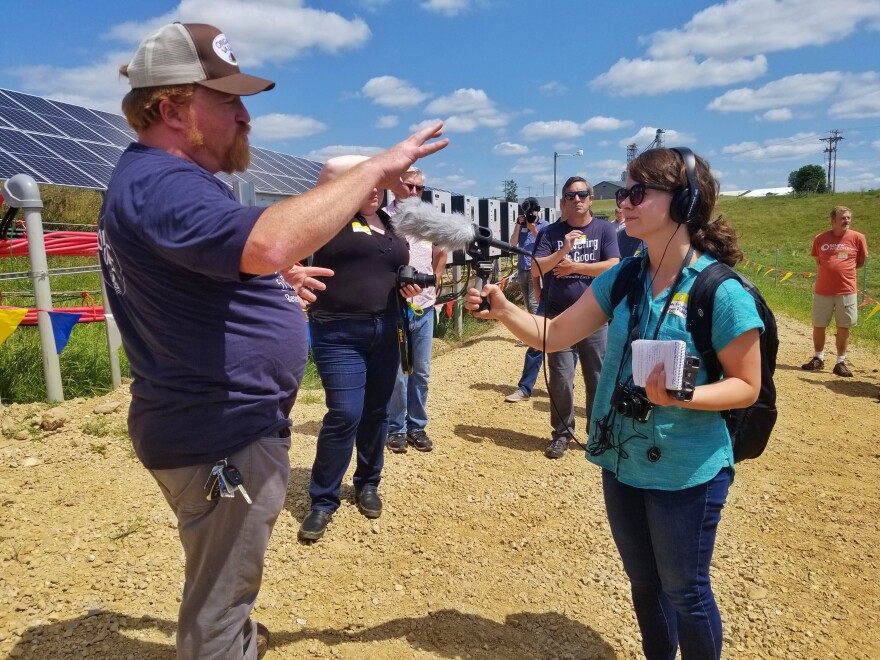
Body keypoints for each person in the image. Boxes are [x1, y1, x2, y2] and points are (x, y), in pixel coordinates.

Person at [98, 22, 446, 660]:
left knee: (225, 581)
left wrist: (267, 271)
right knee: (220, 601)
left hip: (210, 423)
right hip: (218, 435)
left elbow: (224, 252)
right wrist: (377, 167)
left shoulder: (157, 182)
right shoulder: (164, 183)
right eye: (226, 100)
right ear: (171, 109)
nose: (245, 114)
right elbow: (265, 239)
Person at [465, 147, 763, 660]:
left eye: (637, 192)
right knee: (645, 585)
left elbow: (746, 386)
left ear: (685, 200)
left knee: (686, 593)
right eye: (623, 191)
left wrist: (684, 394)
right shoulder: (624, 276)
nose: (621, 201)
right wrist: (505, 310)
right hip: (620, 460)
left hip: (687, 469)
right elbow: (555, 333)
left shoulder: (721, 290)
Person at [300, 156, 424, 540]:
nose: (374, 190)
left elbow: (392, 271)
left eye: (379, 183)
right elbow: (332, 171)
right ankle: (323, 500)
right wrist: (379, 164)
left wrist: (409, 287)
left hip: (387, 328)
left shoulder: (390, 224)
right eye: (366, 182)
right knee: (345, 413)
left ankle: (368, 482)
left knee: (376, 412)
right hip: (338, 332)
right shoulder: (329, 218)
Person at [532, 178, 620, 458]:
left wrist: (575, 268)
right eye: (570, 195)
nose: (577, 199)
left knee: (597, 377)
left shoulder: (605, 229)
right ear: (562, 202)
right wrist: (562, 252)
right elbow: (536, 269)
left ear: (591, 199)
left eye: (582, 194)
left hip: (595, 316)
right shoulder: (551, 232)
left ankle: (597, 433)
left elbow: (613, 266)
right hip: (559, 317)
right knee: (560, 378)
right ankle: (562, 433)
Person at [385, 168, 447, 453]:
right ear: (397, 186)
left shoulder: (428, 220)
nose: (413, 193)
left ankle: (417, 426)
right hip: (394, 306)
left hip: (423, 306)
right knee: (398, 373)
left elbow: (442, 251)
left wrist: (435, 280)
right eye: (409, 187)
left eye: (419, 189)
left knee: (421, 370)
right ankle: (395, 427)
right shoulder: (384, 218)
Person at [801, 206, 868, 377]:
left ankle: (840, 362)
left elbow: (859, 262)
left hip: (846, 291)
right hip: (822, 291)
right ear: (832, 221)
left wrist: (841, 271)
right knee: (819, 325)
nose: (846, 221)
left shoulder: (858, 238)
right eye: (842, 218)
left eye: (848, 218)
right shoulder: (820, 239)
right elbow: (819, 261)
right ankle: (818, 358)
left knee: (843, 327)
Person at [505, 197, 549, 403]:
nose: (529, 214)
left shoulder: (544, 225)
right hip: (522, 268)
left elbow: (544, 241)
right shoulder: (521, 225)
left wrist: (532, 227)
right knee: (527, 302)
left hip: (537, 270)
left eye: (532, 211)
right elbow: (512, 243)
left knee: (534, 303)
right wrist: (518, 224)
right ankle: (532, 333)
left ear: (538, 211)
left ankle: (533, 333)